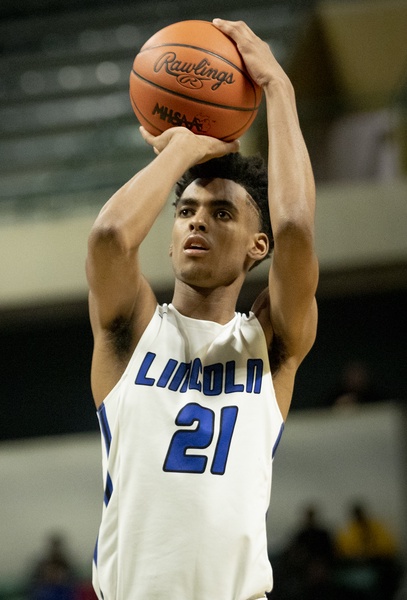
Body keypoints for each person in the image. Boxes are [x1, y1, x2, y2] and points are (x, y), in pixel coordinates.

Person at [86, 18, 318, 600]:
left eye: (222, 214)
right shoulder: (131, 333)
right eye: (186, 210)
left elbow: (294, 225)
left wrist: (279, 89)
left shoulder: (271, 343)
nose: (196, 222)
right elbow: (111, 236)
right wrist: (184, 149)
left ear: (256, 247)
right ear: (168, 238)